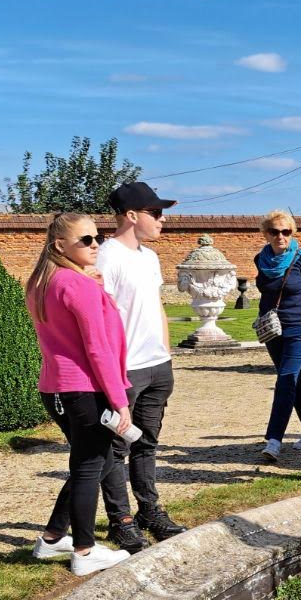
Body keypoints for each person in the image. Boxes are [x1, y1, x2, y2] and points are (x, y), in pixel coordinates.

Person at [25, 213, 135, 575]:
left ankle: (53, 537)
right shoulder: (76, 284)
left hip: (55, 387)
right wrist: (119, 401)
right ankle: (84, 552)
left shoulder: (41, 281)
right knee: (90, 466)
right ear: (60, 245)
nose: (95, 244)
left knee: (94, 463)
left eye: (97, 237)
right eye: (85, 240)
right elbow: (99, 347)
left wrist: (95, 286)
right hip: (85, 388)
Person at [96, 181, 186, 552]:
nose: (162, 220)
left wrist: (166, 353)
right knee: (116, 447)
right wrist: (113, 371)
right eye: (156, 213)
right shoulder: (107, 256)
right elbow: (100, 317)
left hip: (156, 365)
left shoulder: (149, 257)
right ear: (131, 216)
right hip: (126, 369)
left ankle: (149, 510)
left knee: (147, 442)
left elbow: (156, 305)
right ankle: (121, 521)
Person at [253, 209, 301, 464]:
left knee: (285, 380)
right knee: (293, 380)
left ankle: (274, 440)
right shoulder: (261, 259)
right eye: (274, 231)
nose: (280, 236)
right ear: (265, 233)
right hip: (272, 329)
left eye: (286, 231)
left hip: (300, 328)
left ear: (293, 233)